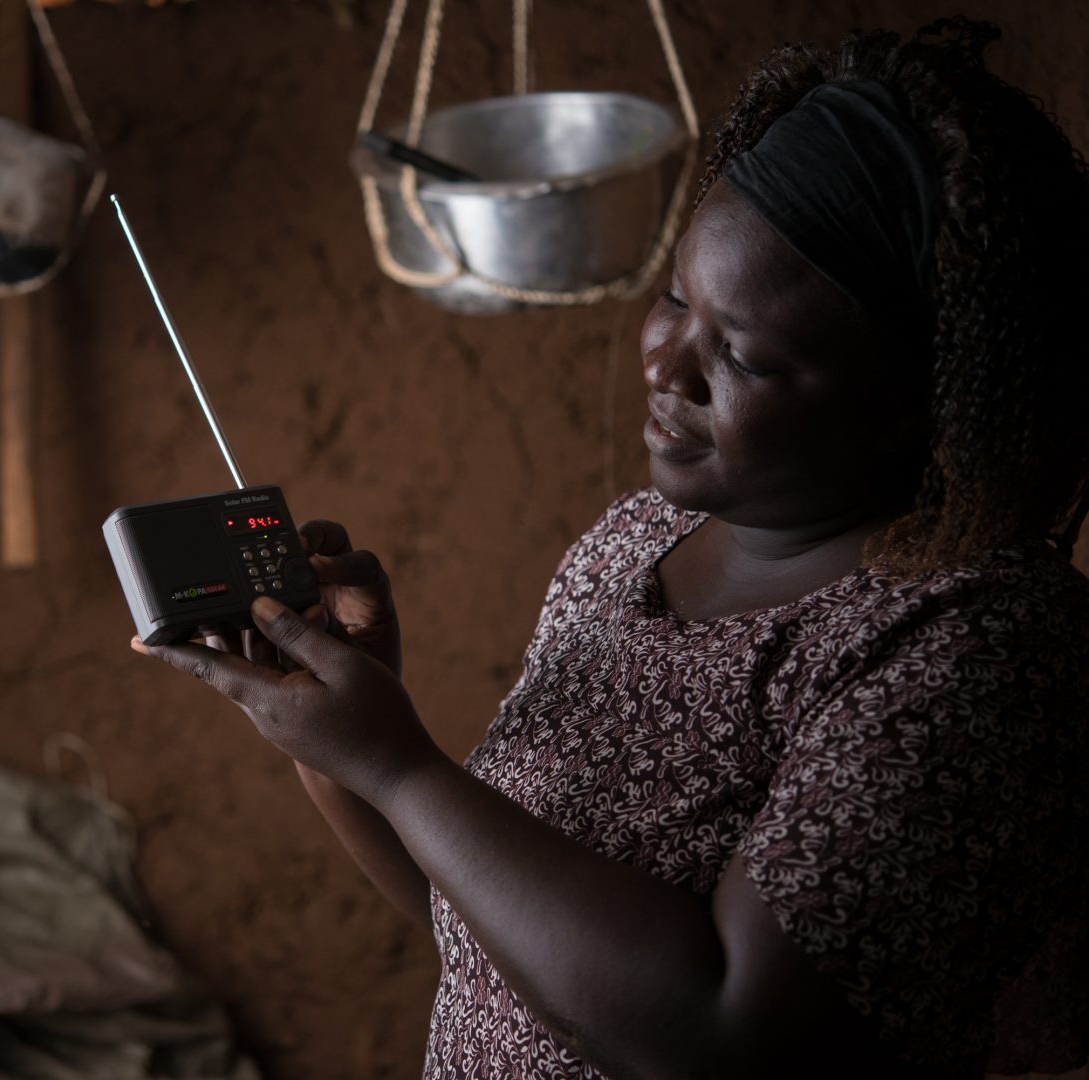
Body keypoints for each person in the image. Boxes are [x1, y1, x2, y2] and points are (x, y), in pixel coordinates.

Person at [131, 18, 1089, 1079]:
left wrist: (398, 768)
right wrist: (340, 742)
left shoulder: (972, 646)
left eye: (745, 355)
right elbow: (489, 941)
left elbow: (723, 1036)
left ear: (912, 402)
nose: (665, 364)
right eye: (676, 297)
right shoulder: (633, 546)